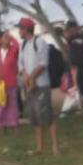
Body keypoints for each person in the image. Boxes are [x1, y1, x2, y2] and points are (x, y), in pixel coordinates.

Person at [18, 18, 59, 156]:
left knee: (47, 116)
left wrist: (32, 78)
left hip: (42, 84)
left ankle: (54, 147)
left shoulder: (40, 42)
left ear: (25, 29)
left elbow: (43, 63)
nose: (19, 31)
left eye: (20, 28)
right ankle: (39, 147)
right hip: (30, 85)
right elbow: (21, 64)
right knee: (35, 117)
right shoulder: (23, 44)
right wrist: (26, 77)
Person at [0, 32, 20, 132]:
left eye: (8, 37)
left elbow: (18, 45)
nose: (7, 39)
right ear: (0, 40)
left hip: (11, 82)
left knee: (12, 105)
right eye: (4, 37)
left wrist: (12, 37)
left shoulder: (13, 50)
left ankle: (14, 124)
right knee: (1, 104)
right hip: (0, 84)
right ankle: (1, 124)